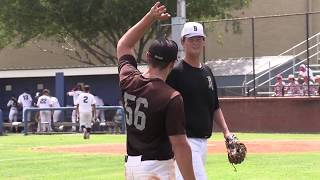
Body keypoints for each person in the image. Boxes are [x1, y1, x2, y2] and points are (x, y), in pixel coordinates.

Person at [117, 2, 195, 180]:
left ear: (148, 57)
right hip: (156, 169)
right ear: (172, 64)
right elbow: (180, 145)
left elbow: (123, 45)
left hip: (131, 167)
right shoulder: (171, 97)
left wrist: (150, 18)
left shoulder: (128, 80)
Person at [166, 21, 236, 180]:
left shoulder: (207, 71)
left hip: (203, 142)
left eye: (199, 39)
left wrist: (226, 132)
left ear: (204, 42)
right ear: (183, 41)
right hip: (184, 141)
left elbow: (215, 106)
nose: (196, 43)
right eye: (191, 39)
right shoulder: (176, 73)